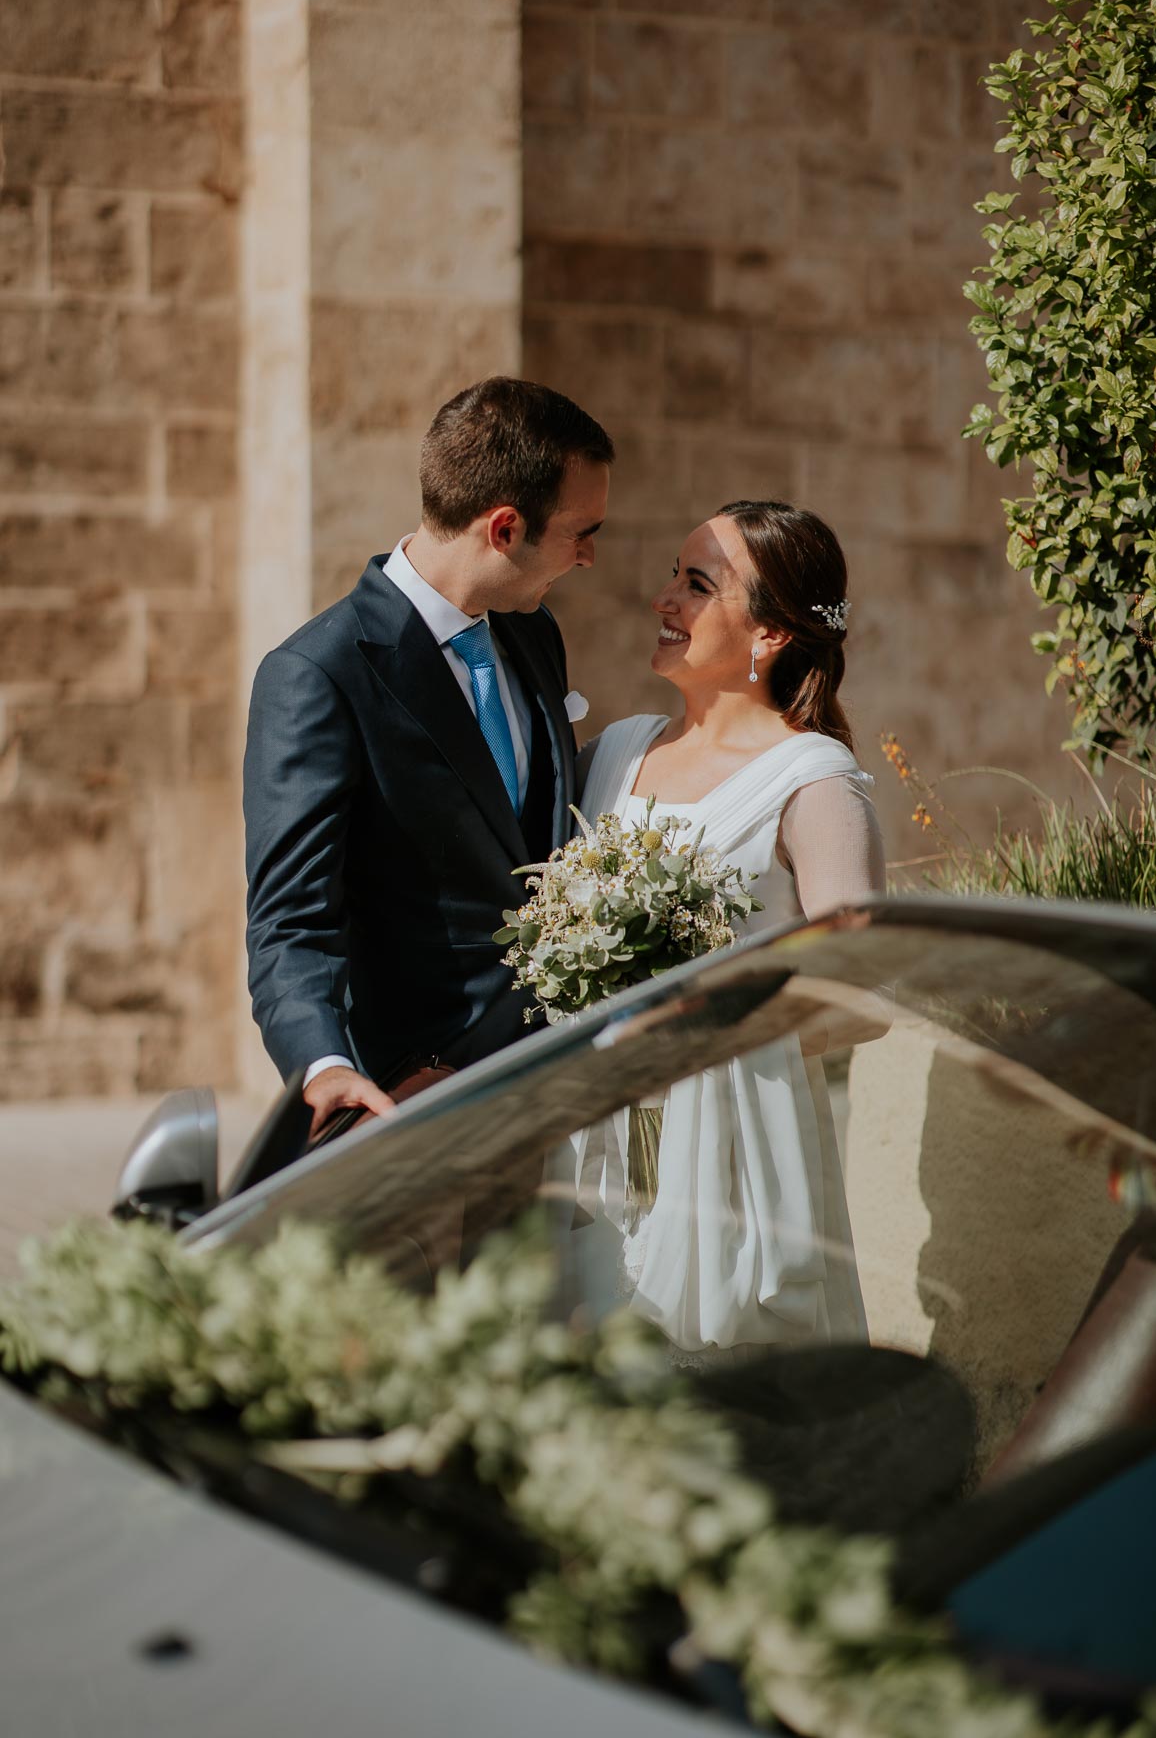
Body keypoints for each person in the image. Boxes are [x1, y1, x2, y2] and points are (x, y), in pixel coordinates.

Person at [244, 378, 613, 1139]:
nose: (588, 556)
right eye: (582, 531)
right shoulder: (320, 673)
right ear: (505, 528)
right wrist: (326, 1066)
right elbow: (290, 921)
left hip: (553, 1094)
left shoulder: (533, 633)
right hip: (416, 1105)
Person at [571, 500, 886, 1355]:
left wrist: (707, 1037)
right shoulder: (613, 752)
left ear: (771, 634)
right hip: (588, 1153)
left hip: (731, 1165)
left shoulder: (812, 779)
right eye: (674, 576)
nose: (663, 598)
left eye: (697, 584)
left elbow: (858, 999)